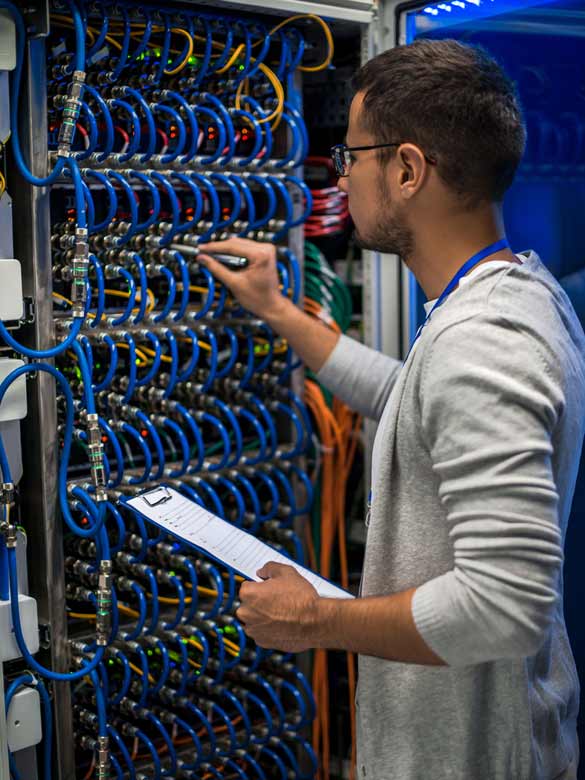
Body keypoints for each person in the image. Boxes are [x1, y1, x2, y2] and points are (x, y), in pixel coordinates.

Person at [197, 39, 585, 780]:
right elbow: (411, 395)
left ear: (406, 169)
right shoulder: (516, 294)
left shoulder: (481, 343)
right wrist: (278, 309)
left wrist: (316, 620)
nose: (342, 179)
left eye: (352, 157)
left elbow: (505, 604)